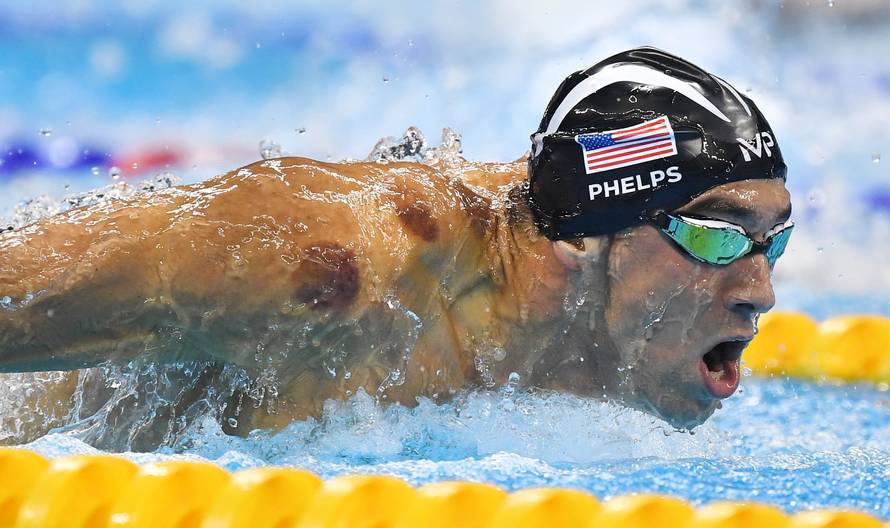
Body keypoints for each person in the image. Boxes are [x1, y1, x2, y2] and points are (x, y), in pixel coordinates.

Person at [0, 47, 791, 443]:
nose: (761, 289)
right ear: (583, 237)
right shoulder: (329, 265)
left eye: (772, 241)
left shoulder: (598, 336)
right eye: (717, 236)